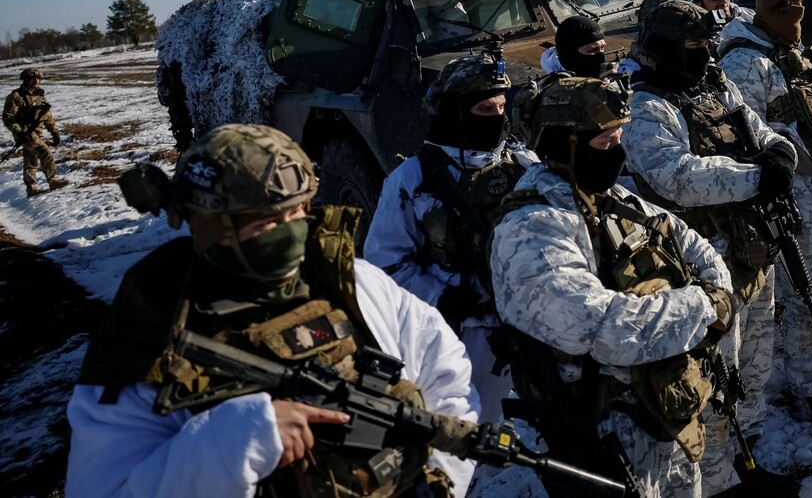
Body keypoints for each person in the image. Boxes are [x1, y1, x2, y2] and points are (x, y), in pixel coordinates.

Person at [66, 124, 478, 497]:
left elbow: (445, 374)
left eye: (299, 210)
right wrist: (237, 442)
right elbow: (104, 487)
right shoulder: (151, 330)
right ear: (212, 224)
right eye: (267, 220)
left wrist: (441, 480)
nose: (293, 230)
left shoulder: (349, 280)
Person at [489, 75, 734, 498]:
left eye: (619, 137)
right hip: (606, 435)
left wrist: (714, 291)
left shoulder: (607, 198)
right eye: (605, 142)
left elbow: (691, 244)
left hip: (663, 409)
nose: (619, 152)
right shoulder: (532, 230)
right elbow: (605, 329)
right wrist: (704, 306)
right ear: (564, 146)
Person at [621, 0, 798, 495]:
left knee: (756, 361)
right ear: (663, 47)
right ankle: (722, 483)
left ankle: (748, 455)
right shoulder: (645, 108)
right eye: (693, 46)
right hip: (704, 263)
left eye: (706, 44)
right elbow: (677, 177)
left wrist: (779, 153)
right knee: (719, 378)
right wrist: (757, 177)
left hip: (751, 244)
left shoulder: (714, 85)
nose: (703, 54)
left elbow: (760, 131)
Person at [716, 0, 812, 426]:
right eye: (785, 5)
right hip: (794, 192)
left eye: (800, 2)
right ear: (765, 7)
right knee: (807, 290)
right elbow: (748, 135)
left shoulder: (792, 50)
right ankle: (810, 383)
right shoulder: (746, 61)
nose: (795, 12)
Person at [364, 53, 535, 432]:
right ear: (456, 113)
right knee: (470, 431)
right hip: (462, 333)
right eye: (484, 108)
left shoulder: (522, 165)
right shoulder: (413, 179)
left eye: (501, 107)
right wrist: (443, 298)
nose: (497, 117)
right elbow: (384, 263)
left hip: (529, 325)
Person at [4, 67, 67, 197]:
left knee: (30, 159)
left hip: (37, 132)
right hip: (24, 132)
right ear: (26, 79)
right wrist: (19, 132)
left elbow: (47, 116)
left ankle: (31, 188)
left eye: (39, 78)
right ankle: (53, 181)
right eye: (33, 78)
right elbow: (8, 117)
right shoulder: (16, 96)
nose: (37, 81)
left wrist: (54, 132)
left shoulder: (40, 96)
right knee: (45, 152)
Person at [539, 14, 610, 78]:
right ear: (570, 53)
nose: (602, 57)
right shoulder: (551, 86)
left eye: (602, 48)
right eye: (592, 50)